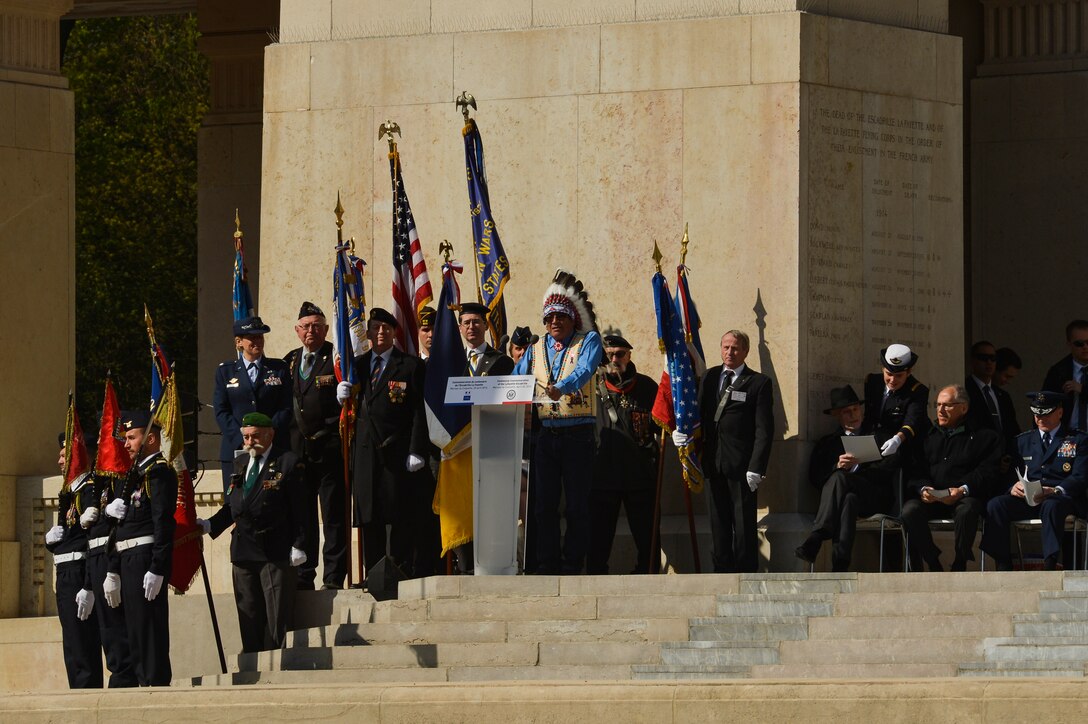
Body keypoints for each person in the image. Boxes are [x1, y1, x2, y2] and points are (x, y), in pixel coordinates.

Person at [512, 270, 603, 575]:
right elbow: (515, 379)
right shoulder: (535, 349)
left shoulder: (588, 341)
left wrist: (561, 387)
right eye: (550, 318)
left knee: (577, 504)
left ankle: (573, 562)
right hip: (546, 437)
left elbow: (586, 370)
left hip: (578, 434)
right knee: (543, 506)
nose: (554, 323)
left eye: (561, 317)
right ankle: (547, 563)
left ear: (573, 319)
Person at [198, 413, 307, 652]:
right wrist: (209, 525)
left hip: (273, 550)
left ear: (270, 434)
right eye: (246, 436)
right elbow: (233, 506)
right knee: (247, 611)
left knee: (276, 615)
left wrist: (299, 543)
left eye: (255, 435)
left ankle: (278, 664)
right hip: (243, 550)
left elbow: (301, 508)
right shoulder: (241, 465)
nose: (250, 441)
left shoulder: (288, 462)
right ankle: (251, 663)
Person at [335, 307, 430, 577]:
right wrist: (340, 393)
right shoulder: (358, 366)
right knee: (370, 514)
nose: (380, 333)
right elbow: (348, 411)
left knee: (398, 512)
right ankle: (374, 571)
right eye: (375, 328)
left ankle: (399, 566)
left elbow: (418, 412)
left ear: (394, 333)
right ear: (368, 331)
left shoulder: (410, 365)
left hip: (397, 451)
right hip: (365, 453)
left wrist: (416, 450)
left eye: (386, 328)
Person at [102, 410, 177, 687]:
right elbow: (117, 528)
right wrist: (112, 567)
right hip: (126, 558)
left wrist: (157, 567)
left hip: (144, 559)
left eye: (132, 437)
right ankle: (141, 688)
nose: (127, 443)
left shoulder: (158, 472)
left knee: (149, 631)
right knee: (133, 631)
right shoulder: (132, 476)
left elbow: (162, 523)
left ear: (151, 439)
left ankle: (155, 688)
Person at [981, 391, 1088, 570]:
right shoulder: (1021, 442)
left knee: (1051, 505)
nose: (1040, 418)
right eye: (1037, 414)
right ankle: (1002, 564)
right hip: (1029, 499)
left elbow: (1081, 477)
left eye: (1046, 413)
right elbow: (1008, 474)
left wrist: (1056, 490)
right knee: (996, 505)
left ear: (1060, 412)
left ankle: (1050, 563)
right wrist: (1012, 487)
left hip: (1061, 498)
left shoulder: (1078, 440)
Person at [900, 384, 1002, 571]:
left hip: (962, 497)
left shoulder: (983, 437)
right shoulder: (926, 436)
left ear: (963, 408)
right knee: (909, 511)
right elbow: (915, 469)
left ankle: (960, 561)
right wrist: (924, 489)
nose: (941, 410)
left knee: (968, 509)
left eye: (947, 405)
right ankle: (932, 561)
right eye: (938, 405)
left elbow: (987, 471)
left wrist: (962, 489)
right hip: (931, 498)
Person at [795, 385, 898, 571]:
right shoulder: (828, 443)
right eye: (846, 412)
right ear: (837, 415)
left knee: (841, 479)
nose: (853, 415)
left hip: (874, 495)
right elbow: (815, 478)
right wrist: (837, 466)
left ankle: (816, 538)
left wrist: (856, 469)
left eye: (856, 409)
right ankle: (840, 564)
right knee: (848, 498)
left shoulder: (879, 436)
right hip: (847, 500)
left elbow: (889, 468)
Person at [696, 329, 774, 573]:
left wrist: (757, 467)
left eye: (736, 348)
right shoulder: (708, 378)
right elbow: (698, 416)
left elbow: (764, 429)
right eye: (726, 347)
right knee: (718, 524)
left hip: (742, 466)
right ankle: (721, 573)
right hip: (712, 463)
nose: (730, 352)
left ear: (745, 351)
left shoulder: (758, 382)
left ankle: (745, 574)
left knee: (743, 526)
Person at [283, 302, 347, 590]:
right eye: (306, 326)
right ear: (297, 330)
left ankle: (333, 577)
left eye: (317, 326)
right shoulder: (289, 361)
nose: (311, 331)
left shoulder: (337, 357)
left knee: (333, 515)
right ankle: (304, 574)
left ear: (326, 329)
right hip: (298, 452)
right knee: (304, 515)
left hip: (329, 447)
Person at [449, 302, 516, 573]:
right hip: (460, 448)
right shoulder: (452, 361)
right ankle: (464, 565)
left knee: (489, 508)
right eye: (466, 322)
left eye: (476, 322)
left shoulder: (501, 361)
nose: (471, 327)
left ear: (485, 326)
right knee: (463, 508)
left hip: (491, 444)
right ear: (459, 327)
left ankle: (491, 563)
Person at [588, 334, 659, 574]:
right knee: (598, 536)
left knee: (647, 533)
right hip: (601, 475)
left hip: (639, 475)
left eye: (620, 354)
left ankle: (647, 573)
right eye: (609, 355)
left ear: (629, 356)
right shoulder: (590, 388)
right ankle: (597, 576)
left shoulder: (647, 387)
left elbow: (662, 426)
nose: (615, 359)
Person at [47, 436, 102, 688]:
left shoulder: (90, 489)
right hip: (65, 571)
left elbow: (92, 541)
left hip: (80, 572)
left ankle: (87, 696)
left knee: (83, 643)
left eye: (64, 455)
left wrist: (89, 585)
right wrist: (52, 543)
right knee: (71, 644)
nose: (59, 461)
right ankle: (78, 692)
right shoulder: (69, 492)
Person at [213, 315, 291, 491]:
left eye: (260, 336)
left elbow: (285, 406)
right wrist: (243, 438)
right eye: (252, 337)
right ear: (239, 342)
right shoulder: (225, 371)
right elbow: (221, 410)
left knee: (271, 501)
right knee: (236, 502)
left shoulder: (279, 368)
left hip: (273, 447)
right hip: (238, 449)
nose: (258, 341)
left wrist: (267, 435)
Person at [862, 343, 930, 460]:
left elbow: (912, 421)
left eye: (899, 376)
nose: (892, 380)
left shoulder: (917, 391)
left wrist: (897, 439)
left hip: (905, 447)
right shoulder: (872, 382)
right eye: (889, 374)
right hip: (876, 442)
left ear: (908, 373)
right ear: (882, 369)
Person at [1041, 320, 1088, 430]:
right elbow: (1044, 405)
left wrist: (1082, 389)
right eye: (1079, 344)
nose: (1085, 347)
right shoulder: (1058, 371)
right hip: (1069, 435)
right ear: (1069, 344)